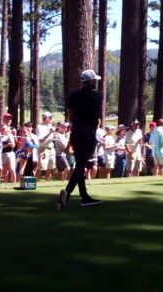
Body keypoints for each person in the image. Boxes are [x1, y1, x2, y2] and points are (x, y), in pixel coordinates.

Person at [57, 69, 103, 211]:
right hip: (89, 135)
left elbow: (71, 118)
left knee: (79, 165)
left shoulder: (73, 96)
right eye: (94, 80)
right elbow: (97, 116)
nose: (95, 82)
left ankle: (84, 197)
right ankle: (67, 193)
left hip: (75, 134)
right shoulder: (97, 96)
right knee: (81, 166)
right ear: (90, 81)